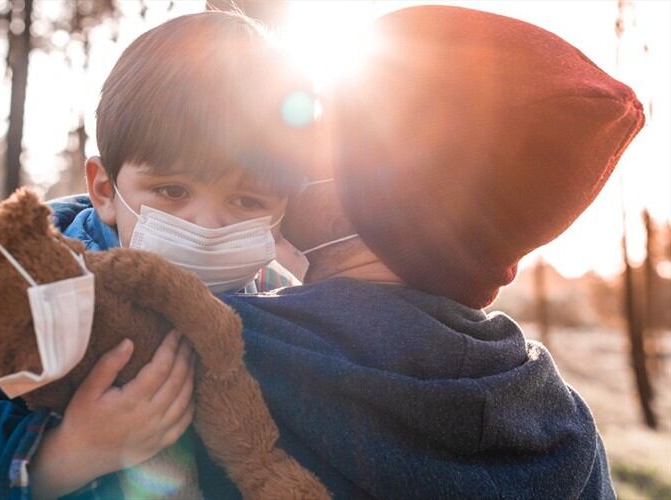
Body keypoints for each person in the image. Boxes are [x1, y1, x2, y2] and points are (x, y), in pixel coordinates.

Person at [195, 6, 644, 499]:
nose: (290, 155)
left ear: (361, 207)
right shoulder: (567, 430)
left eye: (323, 134)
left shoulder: (222, 351)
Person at [0, 11, 311, 499]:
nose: (206, 226)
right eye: (172, 190)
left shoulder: (286, 305)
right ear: (105, 189)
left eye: (247, 201)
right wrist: (71, 451)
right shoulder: (13, 279)